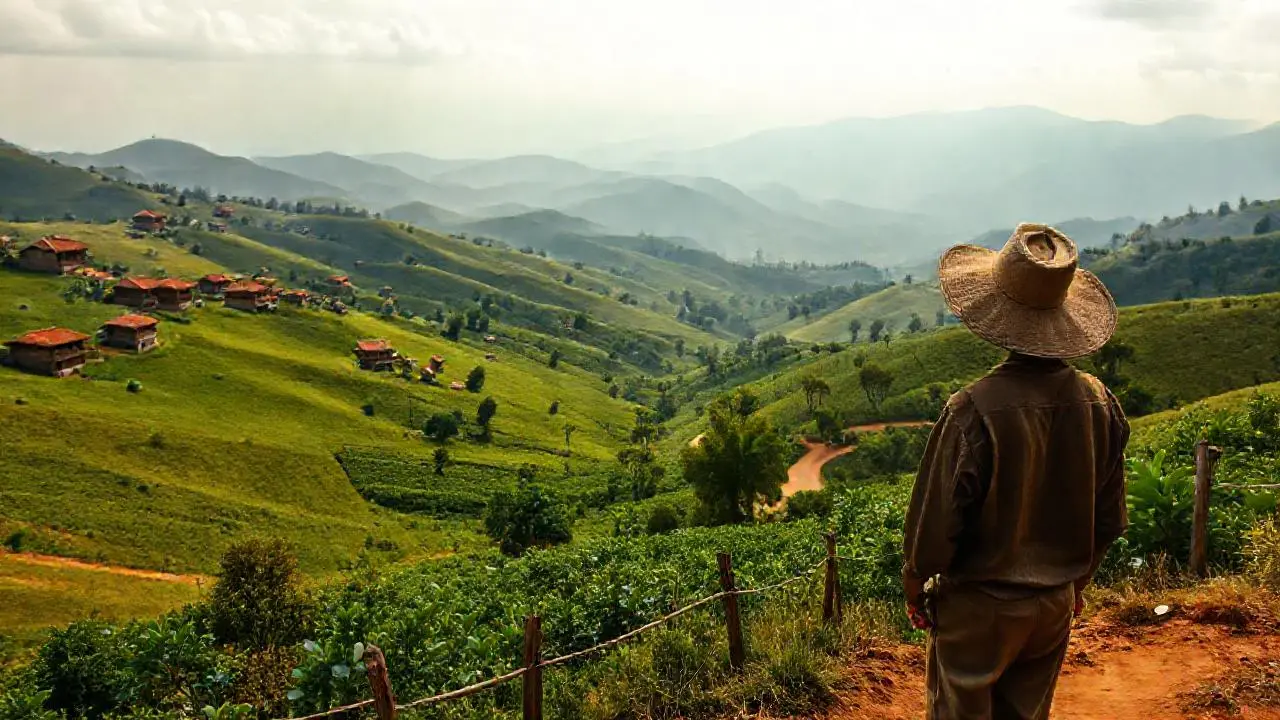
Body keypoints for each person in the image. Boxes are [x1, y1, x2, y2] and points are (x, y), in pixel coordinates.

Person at [903, 223, 1131, 720]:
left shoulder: (972, 410)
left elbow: (936, 526)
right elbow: (1109, 519)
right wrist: (1076, 585)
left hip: (979, 606)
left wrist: (915, 584)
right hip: (1053, 605)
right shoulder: (1100, 402)